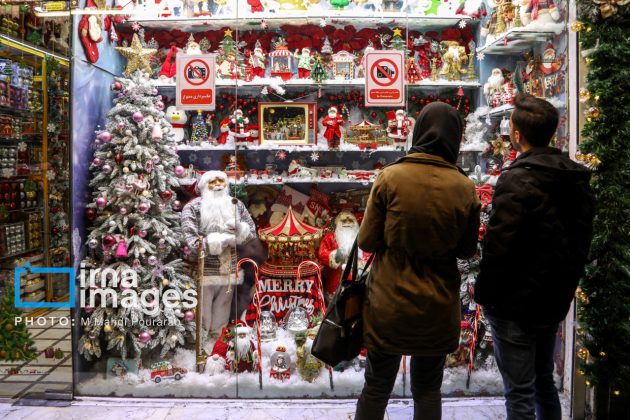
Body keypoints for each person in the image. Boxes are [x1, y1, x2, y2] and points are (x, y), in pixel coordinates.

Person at [355, 102, 481, 420]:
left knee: (376, 387)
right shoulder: (465, 188)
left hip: (389, 301)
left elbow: (367, 241)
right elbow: (467, 251)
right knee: (427, 390)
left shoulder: (390, 177)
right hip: (436, 306)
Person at [475, 94, 595, 420]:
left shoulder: (516, 179)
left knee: (519, 391)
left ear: (517, 134)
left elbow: (499, 248)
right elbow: (580, 241)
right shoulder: (576, 178)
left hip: (514, 305)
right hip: (553, 301)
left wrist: (485, 295)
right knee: (543, 381)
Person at [181, 171, 256, 339]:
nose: (217, 184)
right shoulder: (193, 207)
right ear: (203, 186)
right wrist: (215, 241)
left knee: (223, 307)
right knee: (202, 309)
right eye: (212, 181)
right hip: (202, 268)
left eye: (221, 180)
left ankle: (218, 342)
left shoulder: (236, 205)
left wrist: (241, 230)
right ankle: (199, 343)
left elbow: (252, 233)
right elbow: (190, 241)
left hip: (228, 267)